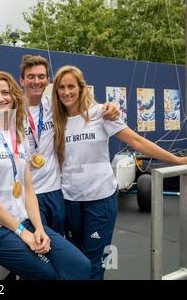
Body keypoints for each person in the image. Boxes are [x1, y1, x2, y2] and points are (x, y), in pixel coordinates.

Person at [51, 65, 187, 280]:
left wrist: (176, 159)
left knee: (94, 263)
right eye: (61, 87)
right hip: (70, 200)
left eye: (71, 86)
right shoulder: (56, 122)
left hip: (100, 200)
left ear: (81, 88)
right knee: (75, 261)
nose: (66, 92)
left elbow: (136, 141)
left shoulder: (101, 114)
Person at [0, 71, 91, 280]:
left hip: (22, 219)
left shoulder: (18, 133)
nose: (0, 99)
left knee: (80, 265)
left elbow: (28, 189)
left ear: (14, 96)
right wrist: (22, 232)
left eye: (5, 92)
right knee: (49, 274)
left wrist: (39, 228)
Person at [19, 55, 119, 235]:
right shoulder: (11, 111)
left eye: (41, 76)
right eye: (31, 76)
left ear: (48, 80)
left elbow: (83, 109)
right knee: (37, 247)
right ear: (22, 80)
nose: (36, 81)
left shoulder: (54, 107)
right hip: (28, 193)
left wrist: (111, 106)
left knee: (62, 245)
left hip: (56, 192)